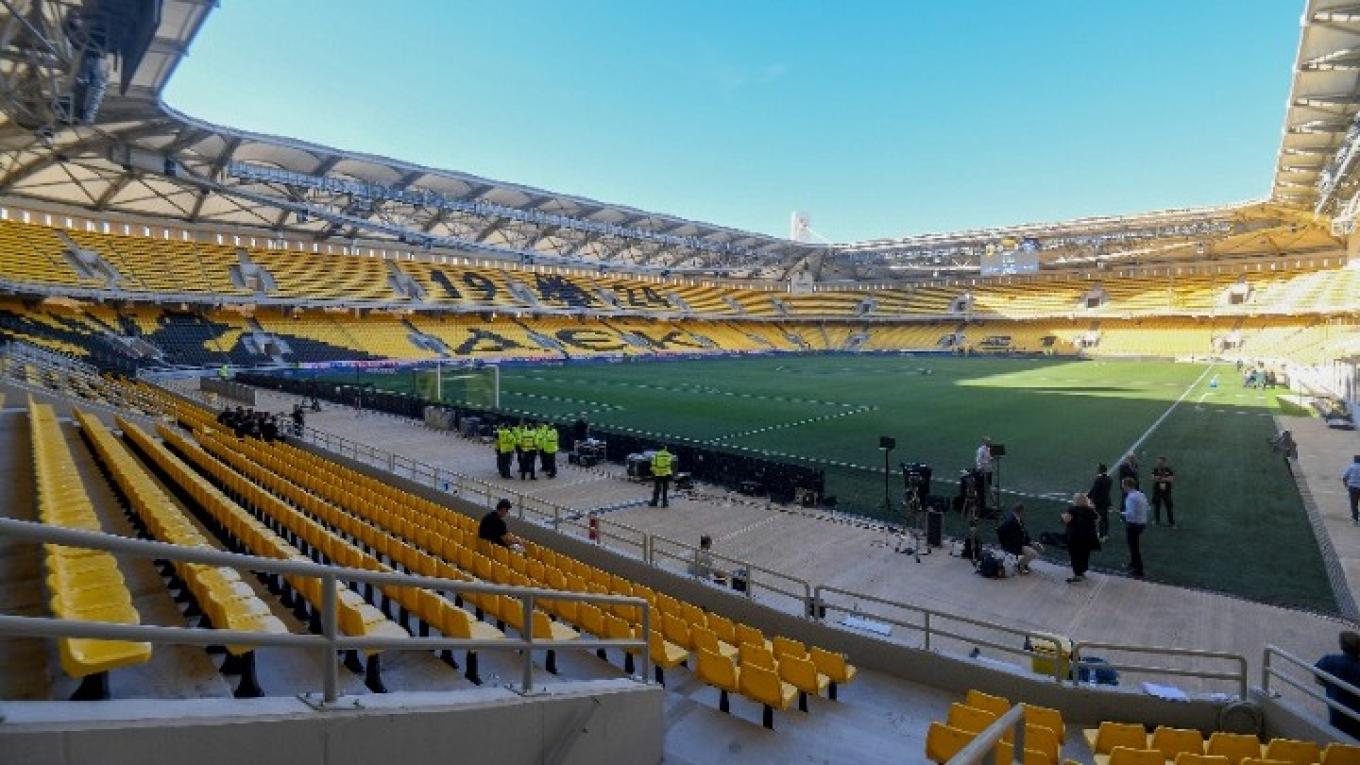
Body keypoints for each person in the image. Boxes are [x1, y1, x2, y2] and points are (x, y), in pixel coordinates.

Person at [1316, 631, 1360, 739]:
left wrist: (1331, 687)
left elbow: (1318, 678)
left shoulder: (1330, 661)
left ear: (1341, 646)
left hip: (1336, 711)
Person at [1062, 493, 1101, 584]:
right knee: (1084, 554)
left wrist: (1063, 517)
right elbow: (1098, 518)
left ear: (1076, 500)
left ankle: (1077, 575)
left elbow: (1066, 519)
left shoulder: (1071, 509)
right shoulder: (1089, 510)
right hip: (1087, 537)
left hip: (1074, 537)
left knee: (1075, 555)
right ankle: (1082, 571)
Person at [995, 503, 1042, 574]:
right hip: (1013, 545)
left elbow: (1024, 533)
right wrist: (1029, 544)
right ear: (1021, 511)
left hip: (1018, 543)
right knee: (1033, 553)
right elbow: (1016, 538)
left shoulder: (1017, 519)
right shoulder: (1011, 522)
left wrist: (1031, 542)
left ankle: (1024, 563)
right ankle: (1021, 566)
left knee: (1038, 548)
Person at [1120, 477, 1148, 579]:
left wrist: (1120, 513)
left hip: (1134, 525)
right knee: (1134, 546)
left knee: (1133, 547)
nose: (1122, 487)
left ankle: (1138, 570)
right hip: (1142, 523)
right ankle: (1133, 564)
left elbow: (1130, 514)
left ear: (1127, 486)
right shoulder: (1140, 494)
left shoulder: (1130, 497)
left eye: (1123, 485)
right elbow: (1146, 506)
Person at [1088, 463, 1113, 542]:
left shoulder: (1098, 479)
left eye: (1098, 468)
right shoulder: (1109, 479)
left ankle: (1101, 536)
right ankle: (1105, 534)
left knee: (1100, 519)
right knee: (1105, 518)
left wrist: (1090, 499)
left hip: (1099, 502)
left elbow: (1094, 490)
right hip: (1106, 501)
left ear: (1100, 470)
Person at [1150, 456, 1175, 528]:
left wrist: (1160, 478)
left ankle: (1171, 522)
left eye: (1160, 462)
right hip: (1157, 491)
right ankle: (1157, 520)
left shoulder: (1168, 470)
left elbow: (1171, 479)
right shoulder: (1155, 469)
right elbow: (1153, 478)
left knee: (1169, 507)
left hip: (1166, 492)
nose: (1159, 464)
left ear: (1164, 462)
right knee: (1157, 506)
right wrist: (1164, 479)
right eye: (1158, 462)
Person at [1343, 456, 1360, 526]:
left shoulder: (1351, 467)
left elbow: (1344, 476)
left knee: (1353, 504)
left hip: (1353, 488)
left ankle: (1355, 519)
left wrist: (1345, 485)